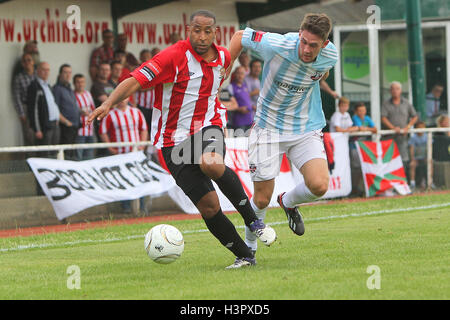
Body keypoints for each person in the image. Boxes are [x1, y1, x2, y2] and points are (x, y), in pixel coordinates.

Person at [88, 9, 276, 269]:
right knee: (209, 207)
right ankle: (245, 255)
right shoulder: (173, 57)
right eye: (196, 30)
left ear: (215, 33)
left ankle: (253, 220)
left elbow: (238, 41)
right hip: (172, 141)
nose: (201, 36)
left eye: (207, 31)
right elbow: (135, 80)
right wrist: (109, 102)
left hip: (208, 127)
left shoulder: (221, 56)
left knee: (211, 162)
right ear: (189, 30)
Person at [228, 13, 338, 256]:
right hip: (268, 129)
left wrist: (317, 75)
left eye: (314, 45)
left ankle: (288, 202)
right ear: (299, 34)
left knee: (320, 185)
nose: (307, 49)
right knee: (261, 200)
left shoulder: (332, 55)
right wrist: (223, 76)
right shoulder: (277, 44)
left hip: (305, 128)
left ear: (325, 44)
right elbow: (239, 36)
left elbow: (324, 70)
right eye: (304, 42)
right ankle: (249, 250)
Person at [99, 96, 149, 214]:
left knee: (139, 178)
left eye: (124, 98)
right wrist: (110, 147)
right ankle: (126, 206)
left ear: (128, 99)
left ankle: (141, 206)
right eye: (120, 98)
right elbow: (103, 131)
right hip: (121, 154)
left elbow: (143, 129)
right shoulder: (111, 114)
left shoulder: (136, 112)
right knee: (124, 179)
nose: (122, 100)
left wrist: (141, 145)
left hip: (135, 153)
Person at [26, 62, 62, 158]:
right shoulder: (34, 86)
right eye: (43, 70)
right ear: (37, 71)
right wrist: (37, 129)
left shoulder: (48, 86)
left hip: (55, 123)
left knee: (54, 152)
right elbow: (33, 110)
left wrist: (57, 118)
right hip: (44, 126)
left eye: (48, 70)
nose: (46, 72)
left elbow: (52, 103)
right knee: (44, 153)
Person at [381, 81, 418, 170]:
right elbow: (383, 118)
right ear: (390, 91)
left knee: (403, 159)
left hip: (402, 136)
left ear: (400, 90)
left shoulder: (406, 103)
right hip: (389, 137)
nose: (395, 91)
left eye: (397, 89)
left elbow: (415, 117)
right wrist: (393, 128)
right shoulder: (385, 103)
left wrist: (407, 127)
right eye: (393, 89)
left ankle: (402, 181)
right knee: (388, 159)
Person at [53, 64, 80, 159]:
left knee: (73, 153)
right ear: (60, 74)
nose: (68, 75)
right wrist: (66, 122)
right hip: (66, 127)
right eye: (65, 72)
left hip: (74, 126)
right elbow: (55, 108)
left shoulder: (69, 88)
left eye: (69, 72)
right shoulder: (57, 89)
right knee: (66, 154)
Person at [350, 102, 377, 196]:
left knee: (365, 168)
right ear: (356, 111)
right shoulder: (354, 118)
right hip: (354, 147)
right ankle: (354, 189)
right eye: (360, 110)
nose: (362, 112)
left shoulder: (367, 118)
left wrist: (366, 129)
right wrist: (368, 129)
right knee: (356, 169)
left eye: (364, 110)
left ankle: (362, 189)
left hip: (364, 147)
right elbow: (360, 128)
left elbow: (375, 129)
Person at [12, 53, 36, 146]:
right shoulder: (19, 78)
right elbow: (16, 97)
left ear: (33, 62)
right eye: (24, 61)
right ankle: (30, 158)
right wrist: (21, 113)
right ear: (22, 64)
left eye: (29, 60)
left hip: (39, 107)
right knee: (29, 135)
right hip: (27, 107)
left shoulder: (38, 75)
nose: (27, 63)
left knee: (40, 134)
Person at [73, 74, 96, 160]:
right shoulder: (72, 95)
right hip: (80, 130)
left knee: (89, 155)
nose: (80, 84)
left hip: (90, 129)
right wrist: (80, 111)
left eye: (82, 82)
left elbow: (93, 107)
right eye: (78, 82)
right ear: (74, 83)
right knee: (78, 155)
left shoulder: (88, 94)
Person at [229, 66, 255, 135]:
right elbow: (225, 104)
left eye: (242, 73)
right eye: (238, 73)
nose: (240, 76)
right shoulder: (230, 87)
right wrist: (238, 109)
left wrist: (252, 106)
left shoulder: (245, 86)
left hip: (249, 120)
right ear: (234, 74)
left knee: (248, 143)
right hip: (239, 122)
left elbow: (247, 100)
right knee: (239, 144)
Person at [408, 121, 429, 191]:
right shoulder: (413, 137)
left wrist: (427, 157)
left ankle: (429, 182)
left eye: (422, 127)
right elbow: (411, 149)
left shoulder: (427, 136)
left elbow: (430, 147)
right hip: (416, 158)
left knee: (430, 162)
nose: (421, 129)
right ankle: (412, 183)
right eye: (419, 127)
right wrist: (413, 158)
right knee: (412, 165)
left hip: (425, 157)